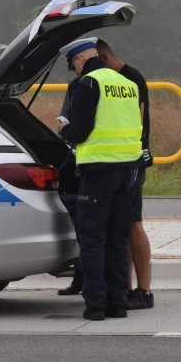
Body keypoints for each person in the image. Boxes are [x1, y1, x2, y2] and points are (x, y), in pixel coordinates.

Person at [57, 37, 142, 321]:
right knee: (117, 241)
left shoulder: (88, 83)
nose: (75, 71)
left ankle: (95, 307)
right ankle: (117, 305)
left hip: (98, 172)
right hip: (128, 171)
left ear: (80, 59)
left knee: (93, 240)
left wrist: (65, 131)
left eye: (73, 66)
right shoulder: (126, 84)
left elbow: (80, 130)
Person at [96, 39, 154, 310]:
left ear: (105, 58)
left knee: (132, 225)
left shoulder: (131, 79)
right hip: (120, 161)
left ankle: (143, 290)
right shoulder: (119, 79)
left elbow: (136, 121)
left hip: (130, 162)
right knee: (121, 227)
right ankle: (125, 288)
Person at [56, 75, 84, 296]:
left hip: (90, 167)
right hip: (86, 164)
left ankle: (86, 283)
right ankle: (81, 280)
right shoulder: (77, 85)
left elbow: (75, 128)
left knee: (89, 234)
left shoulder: (86, 85)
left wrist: (66, 130)